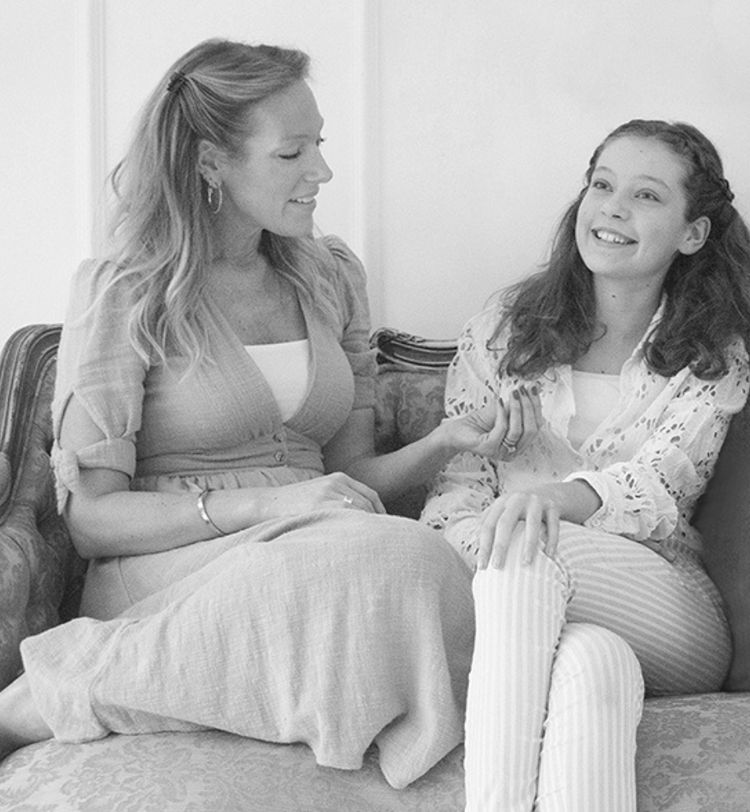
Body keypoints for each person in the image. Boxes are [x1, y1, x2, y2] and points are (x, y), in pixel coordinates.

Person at [0, 38, 531, 788]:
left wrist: (445, 441)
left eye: (320, 145)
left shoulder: (330, 275)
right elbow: (91, 519)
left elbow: (348, 476)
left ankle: (169, 684)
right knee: (397, 559)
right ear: (211, 162)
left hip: (320, 545)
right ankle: (62, 687)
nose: (322, 171)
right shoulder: (123, 290)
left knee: (423, 566)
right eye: (292, 153)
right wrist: (271, 505)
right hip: (174, 572)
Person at [421, 119, 750, 810]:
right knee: (591, 670)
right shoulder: (503, 330)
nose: (613, 208)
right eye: (602, 185)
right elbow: (456, 493)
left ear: (693, 233)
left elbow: (662, 482)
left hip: (671, 606)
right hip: (527, 600)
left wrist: (553, 504)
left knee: (527, 545)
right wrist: (485, 540)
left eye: (647, 195)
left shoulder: (716, 353)